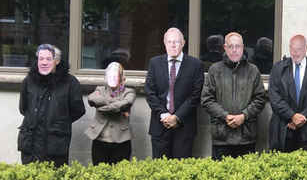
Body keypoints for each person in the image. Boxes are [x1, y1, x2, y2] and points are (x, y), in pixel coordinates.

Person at [201, 32, 267, 159]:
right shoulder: (215, 70)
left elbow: (260, 99)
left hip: (246, 137)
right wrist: (225, 116)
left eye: (238, 46)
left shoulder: (253, 70)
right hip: (221, 136)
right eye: (231, 46)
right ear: (225, 48)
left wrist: (244, 116)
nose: (234, 50)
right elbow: (207, 100)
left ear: (243, 47)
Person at [18, 44, 85, 166]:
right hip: (30, 144)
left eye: (48, 59)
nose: (44, 62)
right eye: (41, 58)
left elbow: (78, 110)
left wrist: (59, 121)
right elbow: (23, 108)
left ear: (57, 61)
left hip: (55, 145)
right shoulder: (28, 81)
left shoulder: (70, 83)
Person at [144, 27, 204, 159]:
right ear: (164, 43)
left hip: (184, 127)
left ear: (183, 43)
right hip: (160, 125)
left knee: (182, 171)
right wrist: (164, 115)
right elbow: (149, 92)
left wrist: (177, 117)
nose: (173, 45)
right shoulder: (154, 63)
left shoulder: (196, 65)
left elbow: (195, 95)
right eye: (169, 42)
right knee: (159, 170)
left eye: (176, 41)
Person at [268, 34, 307, 151]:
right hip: (284, 130)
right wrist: (292, 116)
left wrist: (302, 118)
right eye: (292, 49)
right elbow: (275, 98)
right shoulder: (278, 69)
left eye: (299, 49)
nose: (295, 53)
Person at [85, 62, 136, 164]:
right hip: (100, 139)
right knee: (99, 172)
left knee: (120, 174)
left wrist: (103, 105)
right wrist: (115, 102)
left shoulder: (129, 91)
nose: (112, 78)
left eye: (115, 76)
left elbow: (126, 103)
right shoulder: (100, 89)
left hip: (122, 140)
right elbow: (91, 99)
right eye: (109, 75)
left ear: (121, 78)